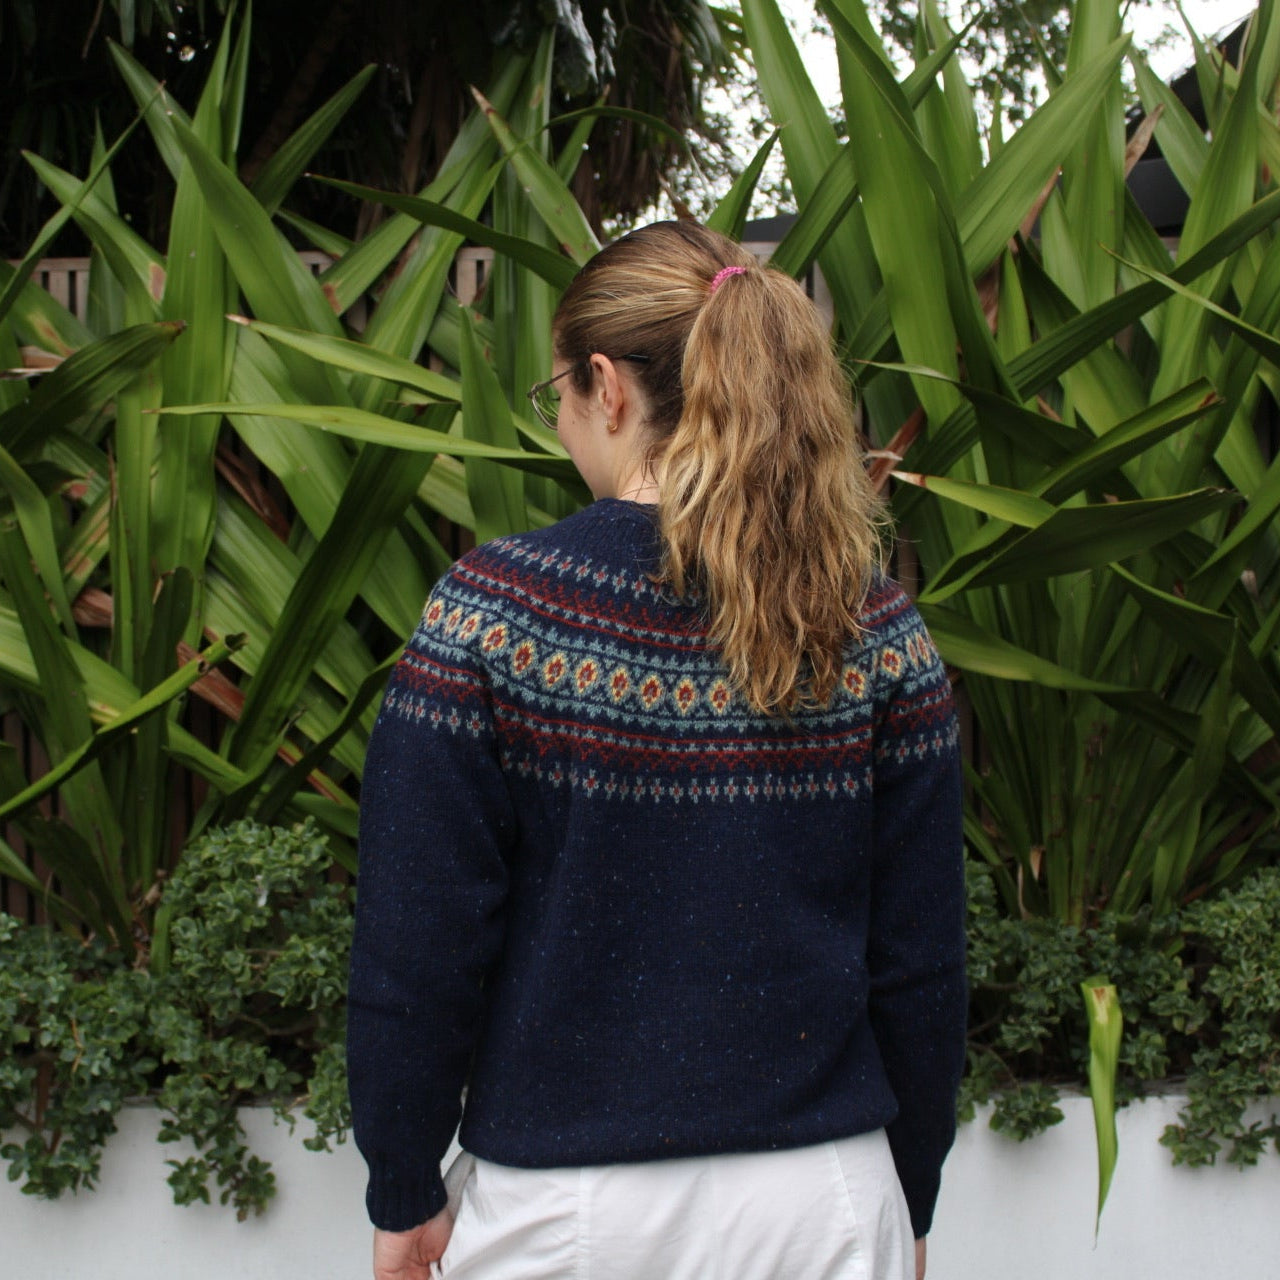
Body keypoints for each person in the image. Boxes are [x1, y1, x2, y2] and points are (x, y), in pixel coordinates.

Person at [347, 220, 967, 1280]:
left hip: (569, 1210)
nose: (559, 420)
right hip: (824, 1198)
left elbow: (419, 941)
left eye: (557, 392)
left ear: (607, 386)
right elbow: (920, 960)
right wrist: (906, 1194)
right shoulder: (872, 625)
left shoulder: (494, 614)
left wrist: (402, 1182)